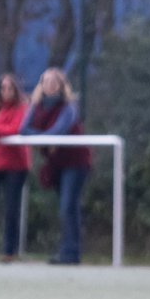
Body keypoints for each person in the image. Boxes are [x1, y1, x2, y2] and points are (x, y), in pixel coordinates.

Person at [20, 68, 93, 265]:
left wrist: (38, 138)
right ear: (41, 85)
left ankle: (71, 253)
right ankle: (68, 252)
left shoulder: (69, 107)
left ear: (61, 86)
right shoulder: (35, 106)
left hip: (75, 162)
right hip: (56, 164)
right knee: (67, 207)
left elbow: (57, 131)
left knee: (67, 206)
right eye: (46, 81)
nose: (50, 85)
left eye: (54, 82)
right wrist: (43, 139)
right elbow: (23, 130)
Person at [0, 74, 32, 262]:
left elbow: (16, 129)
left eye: (10, 88)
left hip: (15, 166)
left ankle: (9, 251)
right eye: (3, 88)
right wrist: (0, 130)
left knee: (12, 209)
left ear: (16, 90)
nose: (6, 92)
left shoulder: (23, 108)